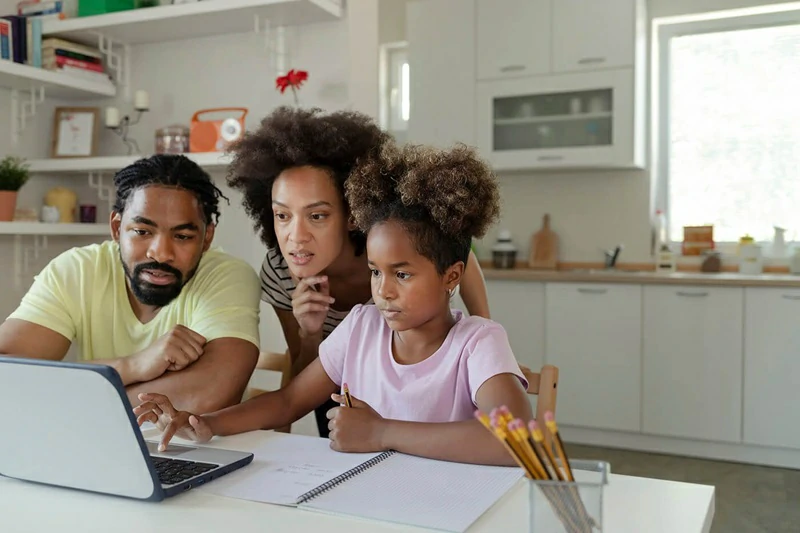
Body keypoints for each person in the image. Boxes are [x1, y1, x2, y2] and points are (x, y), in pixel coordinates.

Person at [133, 141, 532, 466]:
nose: (383, 291)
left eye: (403, 274)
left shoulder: (479, 341)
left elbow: (519, 441)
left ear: (451, 277)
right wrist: (205, 423)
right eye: (375, 272)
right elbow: (289, 401)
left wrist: (381, 432)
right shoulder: (360, 326)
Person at [224, 106, 493, 438]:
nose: (296, 236)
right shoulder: (282, 272)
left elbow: (457, 256)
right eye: (282, 216)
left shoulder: (386, 244)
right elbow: (300, 384)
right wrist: (309, 334)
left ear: (352, 214)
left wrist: (485, 330)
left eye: (317, 216)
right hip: (346, 390)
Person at [0, 154, 261, 413]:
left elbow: (208, 395)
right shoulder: (77, 270)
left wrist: (72, 398)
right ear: (116, 228)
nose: (160, 253)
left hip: (195, 450)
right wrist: (131, 366)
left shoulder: (227, 276)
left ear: (207, 238)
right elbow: (8, 374)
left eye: (182, 236)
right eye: (142, 232)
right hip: (90, 442)